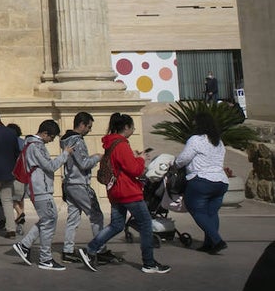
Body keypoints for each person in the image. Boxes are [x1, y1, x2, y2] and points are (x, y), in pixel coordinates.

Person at [79, 113, 171, 274]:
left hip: (116, 192)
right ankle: (149, 263)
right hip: (128, 191)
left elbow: (122, 165)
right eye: (132, 127)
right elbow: (134, 169)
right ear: (126, 127)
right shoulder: (121, 144)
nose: (134, 129)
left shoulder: (111, 143)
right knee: (145, 225)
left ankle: (91, 249)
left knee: (117, 225)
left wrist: (134, 157)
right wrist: (141, 159)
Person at [10, 119, 73, 271]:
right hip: (40, 189)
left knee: (47, 219)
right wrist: (65, 154)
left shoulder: (31, 145)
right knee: (50, 220)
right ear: (45, 134)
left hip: (39, 188)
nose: (51, 141)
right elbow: (50, 166)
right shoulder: (36, 146)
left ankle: (24, 245)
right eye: (51, 137)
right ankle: (45, 258)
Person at [174, 110, 232, 254]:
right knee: (212, 213)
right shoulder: (218, 142)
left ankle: (217, 241)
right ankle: (209, 244)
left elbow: (184, 158)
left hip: (201, 180)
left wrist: (174, 164)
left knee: (196, 210)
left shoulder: (196, 139)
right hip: (221, 181)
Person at [60, 111, 114, 265]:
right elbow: (84, 163)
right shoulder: (77, 141)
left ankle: (68, 250)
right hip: (80, 183)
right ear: (82, 125)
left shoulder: (66, 140)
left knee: (73, 218)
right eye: (89, 127)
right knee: (96, 215)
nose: (89, 130)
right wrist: (98, 157)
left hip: (69, 183)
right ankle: (100, 248)